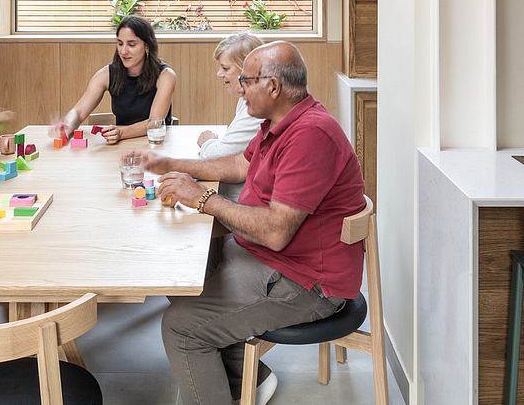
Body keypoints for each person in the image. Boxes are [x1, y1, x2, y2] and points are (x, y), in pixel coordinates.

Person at [138, 42, 366, 405]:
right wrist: (172, 165)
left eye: (246, 81)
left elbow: (276, 233)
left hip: (309, 281)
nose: (240, 89)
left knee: (182, 328)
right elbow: (239, 167)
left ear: (273, 87)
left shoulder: (310, 135)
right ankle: (247, 379)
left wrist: (202, 198)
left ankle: (224, 381)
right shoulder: (279, 121)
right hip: (276, 259)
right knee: (185, 271)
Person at [53, 15, 176, 145]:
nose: (123, 51)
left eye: (131, 44)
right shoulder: (106, 74)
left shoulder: (166, 75)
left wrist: (121, 133)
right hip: (120, 147)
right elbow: (78, 112)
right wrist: (67, 125)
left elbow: (154, 123)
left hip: (156, 145)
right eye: (120, 43)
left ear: (147, 45)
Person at [197, 32, 264, 200]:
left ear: (247, 69)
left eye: (225, 68)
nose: (219, 74)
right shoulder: (245, 98)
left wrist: (207, 142)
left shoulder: (257, 109)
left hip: (241, 203)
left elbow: (218, 155)